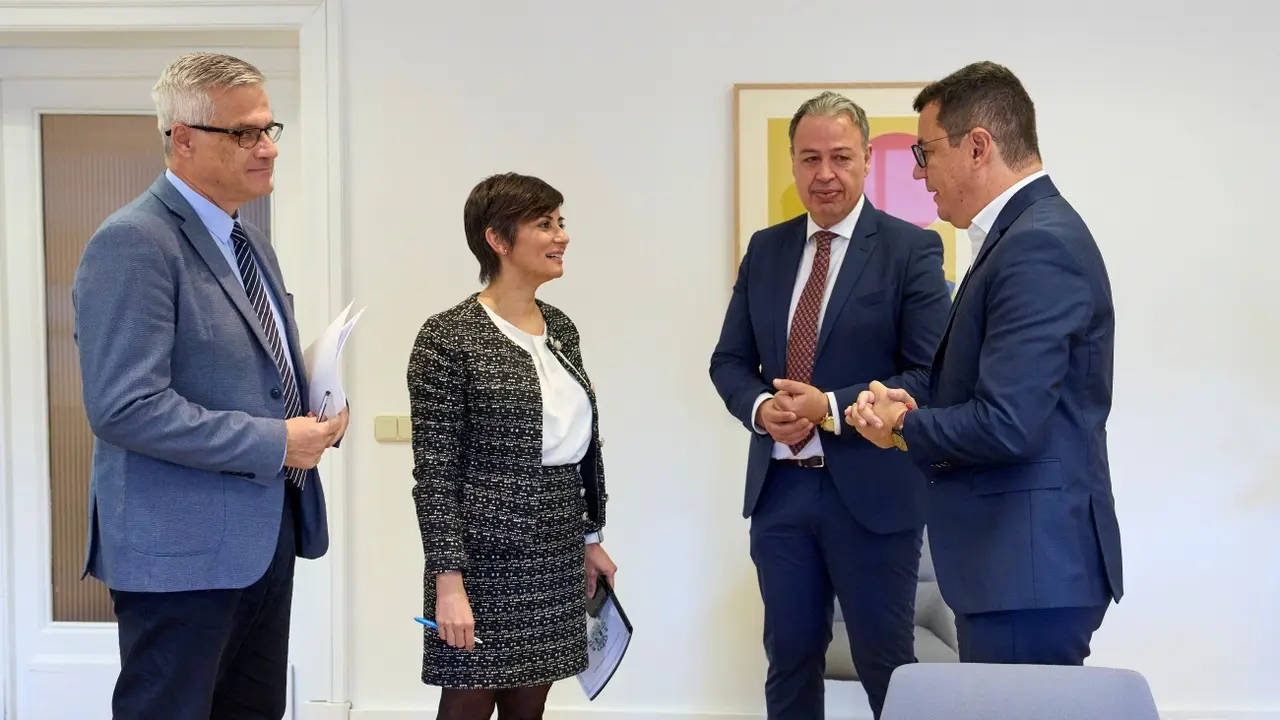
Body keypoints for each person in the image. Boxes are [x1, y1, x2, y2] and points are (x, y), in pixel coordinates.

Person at [72, 52, 349, 719]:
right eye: (246, 133)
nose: (269, 147)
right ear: (185, 140)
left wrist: (315, 404)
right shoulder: (134, 242)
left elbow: (247, 375)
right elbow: (125, 407)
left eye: (269, 127)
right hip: (180, 553)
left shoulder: (248, 242)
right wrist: (275, 440)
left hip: (262, 537)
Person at [849, 60, 1124, 666]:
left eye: (925, 152)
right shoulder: (1018, 236)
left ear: (978, 147)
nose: (920, 175)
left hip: (1027, 571)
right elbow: (979, 388)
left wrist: (901, 427)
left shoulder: (1037, 245)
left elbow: (1007, 422)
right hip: (1015, 570)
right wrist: (903, 405)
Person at [709, 91, 952, 720]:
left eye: (840, 157)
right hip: (781, 493)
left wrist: (832, 407)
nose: (824, 174)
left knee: (885, 664)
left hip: (872, 493)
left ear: (867, 159)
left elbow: (931, 373)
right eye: (809, 158)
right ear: (792, 162)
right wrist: (763, 407)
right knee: (789, 659)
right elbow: (729, 362)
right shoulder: (766, 250)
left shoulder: (911, 249)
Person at [407, 172, 618, 720]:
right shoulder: (447, 337)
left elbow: (579, 449)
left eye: (560, 222)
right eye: (544, 224)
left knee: (530, 707)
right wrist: (447, 583)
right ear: (497, 240)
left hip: (554, 550)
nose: (561, 236)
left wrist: (591, 538)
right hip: (481, 560)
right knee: (468, 703)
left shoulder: (563, 329)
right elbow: (434, 474)